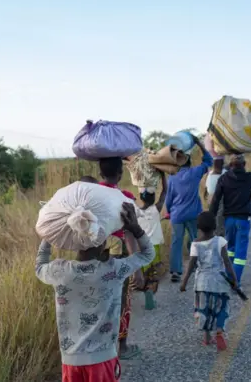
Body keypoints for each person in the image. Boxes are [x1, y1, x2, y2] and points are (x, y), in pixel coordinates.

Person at [35, 202, 155, 382]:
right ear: (103, 242)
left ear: (74, 243)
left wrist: (49, 236)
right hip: (103, 359)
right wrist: (135, 228)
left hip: (70, 360)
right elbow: (147, 254)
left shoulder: (60, 271)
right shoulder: (112, 270)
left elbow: (39, 267)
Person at [98, 157, 144, 360]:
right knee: (123, 301)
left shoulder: (90, 195)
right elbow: (130, 235)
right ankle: (122, 347)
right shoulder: (125, 198)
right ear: (120, 174)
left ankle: (99, 346)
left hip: (94, 257)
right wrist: (138, 268)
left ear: (100, 174)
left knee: (99, 301)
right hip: (119, 257)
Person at [179, 211, 238, 351]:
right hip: (219, 281)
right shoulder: (221, 242)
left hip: (202, 283)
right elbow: (227, 263)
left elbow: (191, 265)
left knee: (204, 309)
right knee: (221, 307)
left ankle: (206, 338)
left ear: (198, 227)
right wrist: (234, 280)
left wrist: (184, 282)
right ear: (215, 226)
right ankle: (218, 330)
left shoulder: (195, 244)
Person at [209, 151, 251, 285]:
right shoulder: (249, 178)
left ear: (230, 165)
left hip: (229, 220)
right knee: (240, 254)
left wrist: (210, 218)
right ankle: (235, 282)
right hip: (243, 220)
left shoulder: (223, 179)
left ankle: (229, 276)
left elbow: (215, 201)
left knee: (230, 249)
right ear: (244, 164)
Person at [165, 134, 213, 283]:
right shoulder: (195, 173)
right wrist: (199, 143)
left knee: (176, 243)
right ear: (190, 163)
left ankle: (176, 271)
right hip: (193, 214)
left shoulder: (172, 178)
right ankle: (202, 267)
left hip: (177, 215)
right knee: (197, 240)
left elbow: (169, 199)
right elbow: (209, 161)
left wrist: (168, 211)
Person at [136, 173, 167, 309]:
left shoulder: (136, 211)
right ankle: (151, 293)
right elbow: (165, 191)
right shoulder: (156, 209)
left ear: (140, 198)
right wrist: (162, 176)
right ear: (154, 197)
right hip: (154, 247)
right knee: (154, 273)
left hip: (142, 247)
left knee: (144, 273)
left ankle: (145, 291)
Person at [203, 157, 227, 237]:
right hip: (220, 199)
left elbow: (206, 188)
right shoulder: (225, 173)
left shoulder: (210, 174)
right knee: (219, 220)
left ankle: (216, 235)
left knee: (216, 219)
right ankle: (219, 236)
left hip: (213, 198)